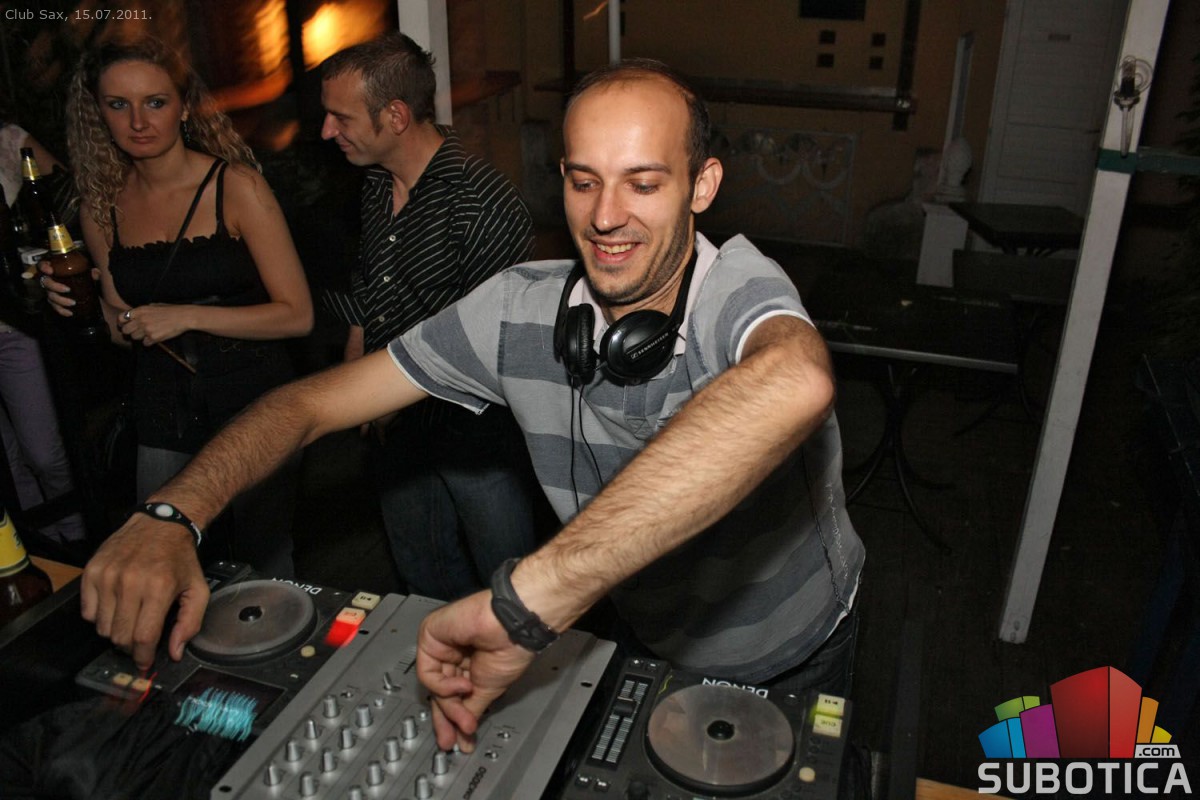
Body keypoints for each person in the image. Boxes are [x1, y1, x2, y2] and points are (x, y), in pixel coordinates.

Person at [75, 60, 865, 755]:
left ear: (703, 185)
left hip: (790, 649)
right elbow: (307, 406)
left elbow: (793, 381)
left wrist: (530, 603)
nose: (605, 216)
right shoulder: (516, 310)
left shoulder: (736, 289)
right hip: (643, 633)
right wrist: (174, 511)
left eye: (644, 183)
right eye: (583, 180)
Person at [42, 37, 313, 576]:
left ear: (184, 106)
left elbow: (297, 315)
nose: (138, 121)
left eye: (155, 102)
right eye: (118, 104)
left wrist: (186, 315)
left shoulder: (236, 186)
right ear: (98, 114)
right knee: (162, 554)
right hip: (163, 405)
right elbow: (123, 327)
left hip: (253, 398)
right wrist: (81, 307)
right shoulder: (101, 208)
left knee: (264, 559)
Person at [318, 32, 542, 600]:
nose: (326, 131)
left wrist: (388, 394)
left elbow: (491, 342)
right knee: (422, 577)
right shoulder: (375, 183)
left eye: (341, 117)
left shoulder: (483, 202)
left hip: (474, 439)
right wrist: (357, 367)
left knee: (511, 591)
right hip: (394, 428)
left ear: (395, 116)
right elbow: (370, 283)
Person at [0, 117, 87, 546]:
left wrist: (38, 242)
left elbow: (70, 195)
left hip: (15, 325)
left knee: (45, 453)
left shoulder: (7, 140)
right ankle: (40, 548)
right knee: (6, 464)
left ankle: (76, 541)